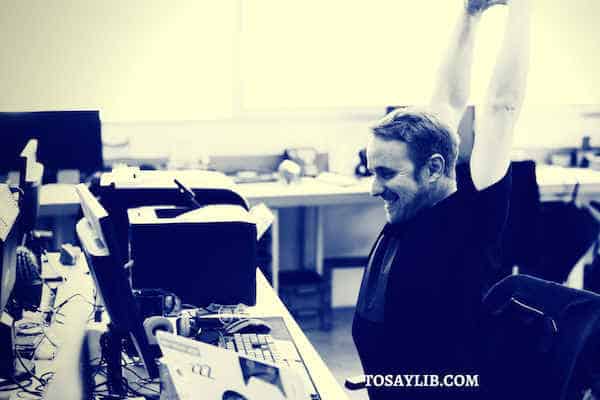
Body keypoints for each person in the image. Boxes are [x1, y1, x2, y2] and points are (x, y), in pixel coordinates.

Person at [352, 0, 531, 398]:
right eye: (372, 171)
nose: (373, 188)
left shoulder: (471, 213)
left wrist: (521, 7)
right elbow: (446, 102)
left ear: (433, 168)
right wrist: (469, 15)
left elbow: (502, 107)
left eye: (385, 173)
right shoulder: (413, 206)